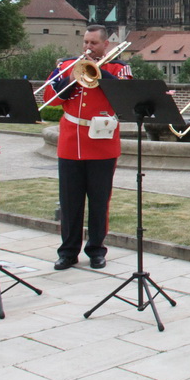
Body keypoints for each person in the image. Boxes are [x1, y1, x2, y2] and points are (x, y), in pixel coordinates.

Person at [43, 25, 132, 270]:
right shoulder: (66, 65)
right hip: (71, 141)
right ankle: (68, 251)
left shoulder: (118, 67)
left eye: (94, 43)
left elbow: (125, 97)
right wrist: (70, 78)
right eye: (86, 42)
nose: (88, 48)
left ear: (106, 45)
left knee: (99, 200)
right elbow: (49, 96)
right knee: (69, 201)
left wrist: (100, 71)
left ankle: (96, 249)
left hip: (102, 141)